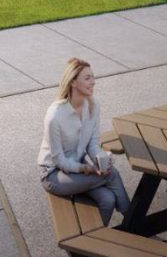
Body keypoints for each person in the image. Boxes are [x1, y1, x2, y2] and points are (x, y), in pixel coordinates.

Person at [38, 59, 132, 227]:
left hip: (78, 171)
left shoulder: (94, 105)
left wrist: (101, 160)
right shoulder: (55, 116)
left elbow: (93, 144)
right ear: (73, 81)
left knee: (108, 199)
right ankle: (136, 223)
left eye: (93, 77)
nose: (93, 82)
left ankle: (93, 244)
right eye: (88, 78)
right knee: (112, 174)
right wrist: (85, 169)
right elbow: (59, 160)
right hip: (54, 175)